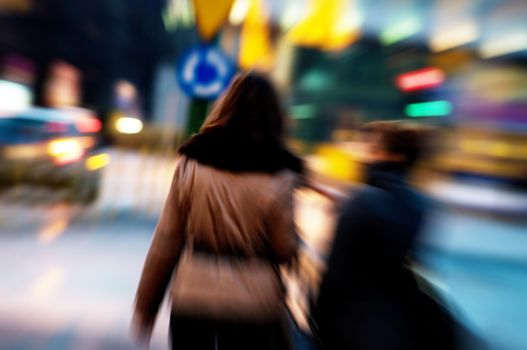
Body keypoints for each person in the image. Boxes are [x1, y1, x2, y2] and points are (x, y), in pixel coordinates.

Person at [132, 72, 303, 350]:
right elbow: (283, 248)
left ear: (226, 105)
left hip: (192, 299)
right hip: (253, 307)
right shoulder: (281, 173)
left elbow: (166, 240)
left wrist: (146, 306)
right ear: (274, 116)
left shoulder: (193, 162)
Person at [313, 121, 460, 350]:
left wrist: (318, 320)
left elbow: (336, 273)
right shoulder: (420, 204)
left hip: (353, 326)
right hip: (400, 327)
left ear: (394, 156)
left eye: (373, 149)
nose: (364, 155)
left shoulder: (362, 201)